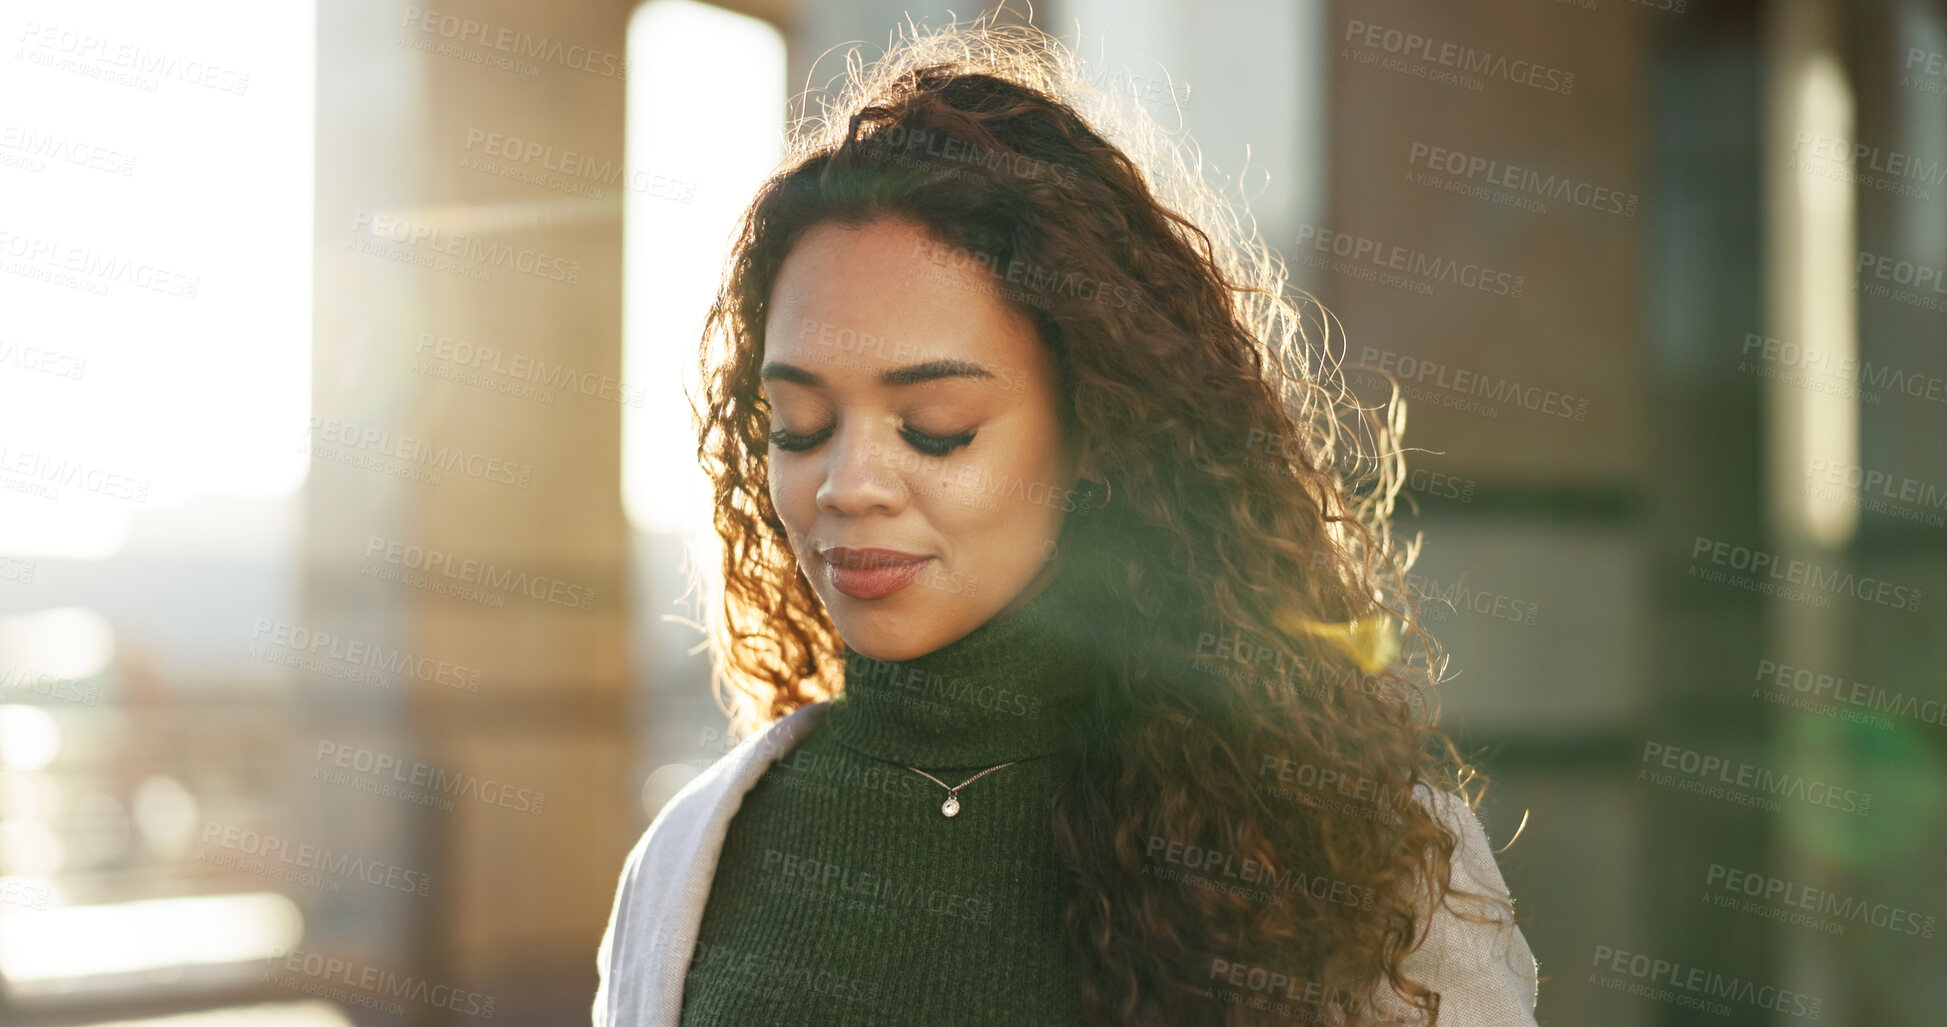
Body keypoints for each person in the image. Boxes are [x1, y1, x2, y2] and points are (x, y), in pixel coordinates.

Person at [595, 16, 1539, 1027]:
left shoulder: (1362, 866)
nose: (848, 484)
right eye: (802, 424)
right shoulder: (694, 856)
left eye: (937, 426)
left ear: (1098, 436)